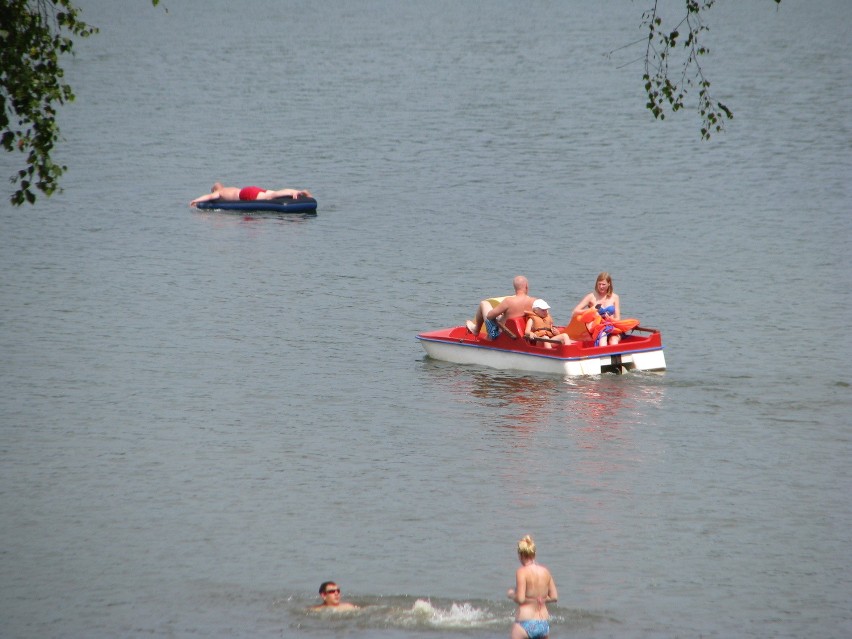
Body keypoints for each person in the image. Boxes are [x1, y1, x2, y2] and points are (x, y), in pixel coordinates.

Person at [507, 535, 557, 639]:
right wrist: (541, 599)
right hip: (543, 623)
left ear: (521, 555)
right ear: (534, 554)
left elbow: (520, 599)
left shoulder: (522, 572)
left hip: (525, 622)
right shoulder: (545, 571)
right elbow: (554, 597)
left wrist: (511, 594)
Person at [466, 275, 534, 340]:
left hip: (501, 335)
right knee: (501, 317)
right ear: (527, 286)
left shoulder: (509, 301)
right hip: (521, 334)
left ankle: (476, 329)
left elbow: (489, 316)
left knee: (484, 304)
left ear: (515, 287)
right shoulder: (533, 301)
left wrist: (500, 313)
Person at [572, 272, 622, 346]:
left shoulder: (615, 297)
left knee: (614, 340)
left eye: (603, 284)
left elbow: (618, 319)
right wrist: (591, 310)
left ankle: (616, 356)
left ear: (609, 284)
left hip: (611, 327)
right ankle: (604, 356)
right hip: (597, 328)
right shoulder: (591, 297)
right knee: (603, 337)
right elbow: (575, 312)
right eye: (599, 284)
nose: (601, 287)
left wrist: (611, 319)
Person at [189, 182, 313, 207]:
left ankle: (296, 192)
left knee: (270, 196)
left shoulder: (219, 192)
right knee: (272, 193)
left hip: (245, 194)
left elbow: (210, 197)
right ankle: (295, 192)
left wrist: (196, 200)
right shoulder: (228, 188)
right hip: (250, 189)